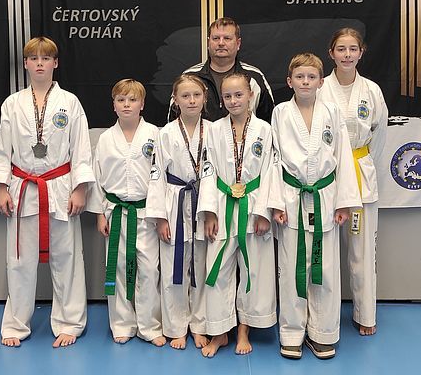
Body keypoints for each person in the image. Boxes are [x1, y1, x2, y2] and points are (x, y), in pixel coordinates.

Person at [0, 36, 94, 348]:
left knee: (67, 259)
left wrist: (80, 189)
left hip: (60, 187)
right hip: (23, 189)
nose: (39, 63)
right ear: (25, 64)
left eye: (45, 58)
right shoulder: (12, 104)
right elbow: (2, 150)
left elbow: (81, 149)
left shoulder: (70, 102)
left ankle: (69, 323)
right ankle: (15, 324)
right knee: (19, 260)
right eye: (34, 58)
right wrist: (0, 188)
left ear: (55, 63)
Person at [269, 53, 360, 360]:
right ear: (289, 81)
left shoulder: (332, 112)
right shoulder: (281, 113)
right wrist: (275, 202)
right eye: (300, 77)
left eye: (311, 77)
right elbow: (274, 160)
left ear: (321, 82)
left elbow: (343, 156)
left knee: (326, 270)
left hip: (325, 197)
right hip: (291, 196)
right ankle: (292, 333)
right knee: (291, 269)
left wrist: (345, 202)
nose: (305, 82)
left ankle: (323, 333)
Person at [199, 72, 277, 357]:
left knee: (253, 269)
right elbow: (207, 170)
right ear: (222, 100)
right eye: (228, 96)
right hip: (222, 204)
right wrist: (209, 212)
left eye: (239, 95)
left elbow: (271, 171)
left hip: (254, 205)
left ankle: (245, 328)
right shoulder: (214, 130)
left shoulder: (265, 130)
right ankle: (219, 332)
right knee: (217, 268)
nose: (234, 101)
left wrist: (264, 211)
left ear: (250, 96)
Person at [318, 28, 388, 336]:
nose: (347, 54)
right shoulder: (320, 88)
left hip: (360, 172)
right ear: (331, 53)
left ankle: (365, 314)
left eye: (353, 49)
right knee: (326, 250)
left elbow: (380, 136)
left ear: (362, 52)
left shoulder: (371, 90)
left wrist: (364, 162)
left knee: (362, 251)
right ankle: (323, 316)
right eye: (341, 49)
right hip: (327, 175)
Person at [91, 79, 165, 345]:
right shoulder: (105, 139)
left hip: (146, 212)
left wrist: (161, 213)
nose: (126, 105)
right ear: (113, 105)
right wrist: (99, 213)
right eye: (121, 100)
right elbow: (97, 178)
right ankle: (122, 324)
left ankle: (150, 326)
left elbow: (161, 176)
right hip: (116, 211)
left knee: (149, 270)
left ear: (142, 104)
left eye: (132, 100)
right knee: (118, 268)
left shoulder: (155, 134)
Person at [148, 74, 212, 350]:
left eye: (196, 95)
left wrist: (212, 212)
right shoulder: (165, 133)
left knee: (201, 267)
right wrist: (160, 217)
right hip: (174, 202)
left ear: (205, 98)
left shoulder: (214, 130)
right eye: (185, 96)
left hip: (204, 202)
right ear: (175, 100)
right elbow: (156, 176)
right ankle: (176, 327)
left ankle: (199, 325)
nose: (191, 100)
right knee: (173, 267)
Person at [172, 17, 275, 122]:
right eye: (216, 38)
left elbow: (269, 122)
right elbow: (174, 121)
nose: (221, 43)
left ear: (238, 43)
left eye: (227, 38)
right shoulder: (190, 77)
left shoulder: (254, 77)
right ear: (208, 42)